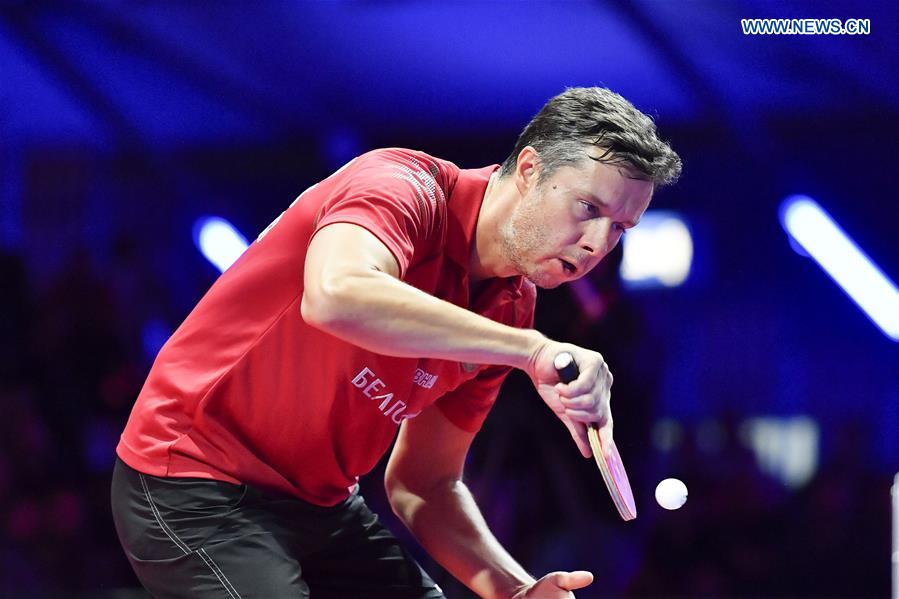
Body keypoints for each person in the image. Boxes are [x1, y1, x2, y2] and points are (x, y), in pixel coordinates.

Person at [111, 86, 681, 599]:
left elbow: (424, 485)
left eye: (621, 229)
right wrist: (528, 350)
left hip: (320, 505)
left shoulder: (510, 306)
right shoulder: (400, 187)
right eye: (589, 208)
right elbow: (336, 295)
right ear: (529, 169)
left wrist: (515, 591)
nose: (598, 245)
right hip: (191, 481)